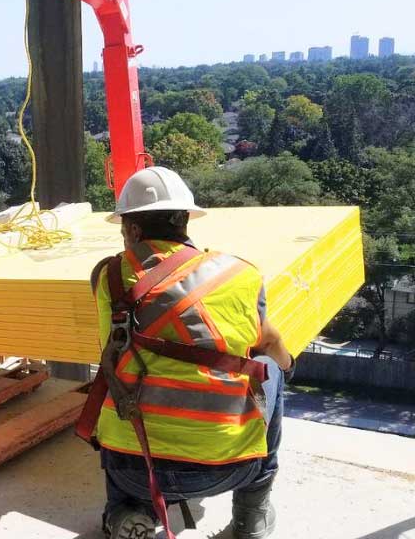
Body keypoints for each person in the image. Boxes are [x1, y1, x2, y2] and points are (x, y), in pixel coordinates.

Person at [79, 167, 295, 539]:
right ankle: (252, 512)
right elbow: (272, 344)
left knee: (122, 380)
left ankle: (126, 514)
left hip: (133, 470)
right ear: (185, 219)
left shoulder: (109, 277)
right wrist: (288, 369)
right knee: (267, 368)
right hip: (228, 466)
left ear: (131, 230)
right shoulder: (241, 274)